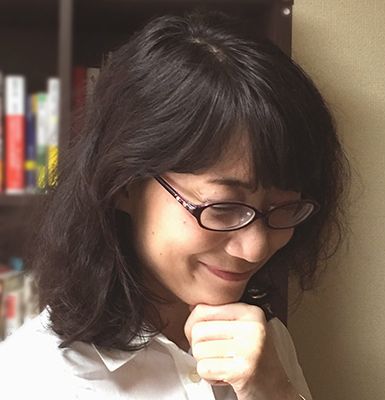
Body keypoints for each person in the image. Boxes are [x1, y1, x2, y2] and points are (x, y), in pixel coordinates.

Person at [0, 11, 348, 400]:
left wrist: (273, 390)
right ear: (125, 185)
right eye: (222, 208)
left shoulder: (267, 340)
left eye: (284, 208)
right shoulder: (33, 378)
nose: (255, 249)